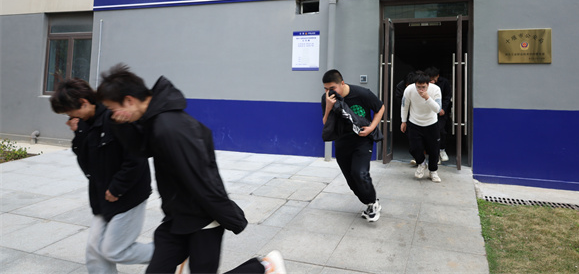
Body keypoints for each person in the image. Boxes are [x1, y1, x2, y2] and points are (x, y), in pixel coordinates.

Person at [96, 64, 286, 274]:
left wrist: (228, 215)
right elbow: (142, 149)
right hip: (177, 217)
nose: (113, 114)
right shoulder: (154, 120)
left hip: (201, 220)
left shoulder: (170, 127)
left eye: (113, 109)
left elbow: (201, 177)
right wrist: (121, 125)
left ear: (129, 100)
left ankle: (265, 267)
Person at [49, 78, 153, 274]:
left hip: (126, 195)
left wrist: (117, 188)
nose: (69, 117)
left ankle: (170, 252)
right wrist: (78, 133)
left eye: (70, 112)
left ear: (84, 102)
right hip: (101, 196)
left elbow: (136, 159)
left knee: (115, 250)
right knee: (95, 252)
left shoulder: (115, 117)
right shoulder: (84, 124)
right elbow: (87, 163)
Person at [321, 69, 385, 222]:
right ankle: (369, 203)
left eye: (332, 88)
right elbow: (325, 123)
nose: (329, 92)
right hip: (342, 142)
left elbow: (380, 108)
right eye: (325, 89)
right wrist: (329, 106)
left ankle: (373, 203)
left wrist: (371, 128)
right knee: (351, 180)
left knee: (360, 173)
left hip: (362, 140)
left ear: (342, 83)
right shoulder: (327, 99)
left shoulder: (362, 93)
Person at [400, 71, 443, 183]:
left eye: (423, 87)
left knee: (434, 150)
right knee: (414, 147)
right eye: (418, 87)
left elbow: (437, 109)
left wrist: (427, 97)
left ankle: (433, 171)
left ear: (428, 84)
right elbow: (404, 105)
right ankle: (421, 163)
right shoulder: (409, 90)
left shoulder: (436, 89)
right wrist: (403, 121)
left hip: (431, 123)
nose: (420, 90)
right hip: (414, 122)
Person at [425, 67, 452, 162]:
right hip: (428, 111)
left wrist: (443, 108)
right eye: (430, 79)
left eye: (434, 78)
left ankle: (442, 150)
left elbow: (447, 97)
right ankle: (432, 153)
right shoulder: (424, 83)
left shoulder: (444, 82)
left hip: (441, 112)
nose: (432, 80)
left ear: (438, 76)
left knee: (441, 131)